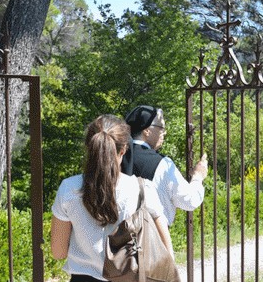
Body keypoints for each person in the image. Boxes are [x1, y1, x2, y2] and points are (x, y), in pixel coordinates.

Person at [50, 114, 173, 282]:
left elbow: (58, 252)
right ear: (123, 150)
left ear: (89, 147)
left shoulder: (68, 189)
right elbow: (167, 252)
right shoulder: (142, 189)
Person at [122, 105, 208, 226]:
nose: (164, 132)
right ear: (147, 130)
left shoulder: (116, 156)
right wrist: (198, 176)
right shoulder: (162, 163)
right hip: (151, 236)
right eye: (161, 127)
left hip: (116, 238)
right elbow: (189, 200)